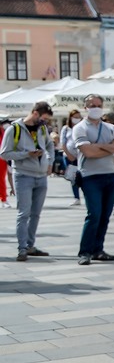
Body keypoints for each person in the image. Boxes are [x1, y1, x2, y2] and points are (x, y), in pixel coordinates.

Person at [71, 94, 114, 265]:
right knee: (94, 214)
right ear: (85, 107)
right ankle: (84, 251)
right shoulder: (80, 128)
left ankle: (98, 249)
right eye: (91, 105)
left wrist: (98, 147)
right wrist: (110, 148)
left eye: (98, 105)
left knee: (105, 215)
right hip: (90, 176)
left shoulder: (110, 127)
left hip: (110, 174)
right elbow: (88, 152)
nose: (95, 107)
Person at [4, 101, 55, 260]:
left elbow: (50, 145)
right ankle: (22, 249)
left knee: (36, 214)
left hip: (41, 176)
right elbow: (4, 154)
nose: (45, 122)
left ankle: (30, 245)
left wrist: (50, 162)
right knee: (23, 213)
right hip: (23, 175)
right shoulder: (14, 129)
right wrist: (27, 154)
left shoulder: (42, 128)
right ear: (35, 113)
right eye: (43, 118)